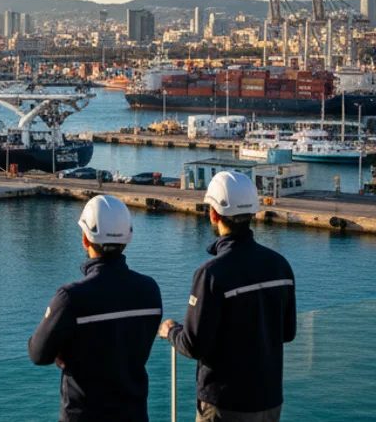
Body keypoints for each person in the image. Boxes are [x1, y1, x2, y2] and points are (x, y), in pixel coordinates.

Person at [159, 170, 296, 422]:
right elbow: (287, 333)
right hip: (269, 401)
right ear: (252, 213)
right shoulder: (280, 266)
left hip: (224, 404)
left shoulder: (211, 274)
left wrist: (171, 331)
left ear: (213, 213)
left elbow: (193, 345)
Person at [27, 195, 163, 421]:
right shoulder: (150, 290)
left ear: (85, 239)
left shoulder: (70, 298)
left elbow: (38, 354)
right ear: (127, 239)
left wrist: (64, 349)